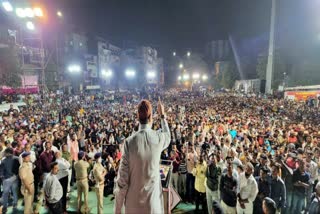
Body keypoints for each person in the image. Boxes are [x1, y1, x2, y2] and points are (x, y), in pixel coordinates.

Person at [114, 99, 171, 214]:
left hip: (133, 206)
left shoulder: (129, 143)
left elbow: (122, 182)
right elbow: (168, 136)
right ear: (151, 117)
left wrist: (118, 210)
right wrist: (162, 115)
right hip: (153, 206)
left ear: (137, 116)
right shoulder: (158, 138)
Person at [0, 148, 20, 213]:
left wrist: (3, 179)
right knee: (14, 192)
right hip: (15, 178)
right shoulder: (17, 158)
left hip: (7, 180)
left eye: (5, 152)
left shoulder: (3, 160)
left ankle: (5, 207)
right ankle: (15, 205)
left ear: (8, 153)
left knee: (5, 194)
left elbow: (1, 172)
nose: (4, 154)